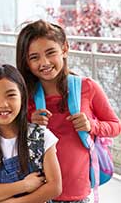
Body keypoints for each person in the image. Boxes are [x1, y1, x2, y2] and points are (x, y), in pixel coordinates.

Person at [16, 20, 121, 202]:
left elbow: (115, 126)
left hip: (77, 191)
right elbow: (9, 134)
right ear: (26, 62)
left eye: (50, 53)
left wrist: (92, 125)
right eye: (34, 57)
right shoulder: (21, 94)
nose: (44, 62)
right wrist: (28, 123)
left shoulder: (87, 87)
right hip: (37, 191)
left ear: (64, 49)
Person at [0, 64, 62, 202]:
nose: (3, 104)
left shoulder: (41, 136)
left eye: (11, 95)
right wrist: (24, 185)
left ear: (22, 97)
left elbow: (55, 187)